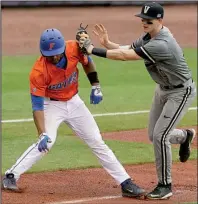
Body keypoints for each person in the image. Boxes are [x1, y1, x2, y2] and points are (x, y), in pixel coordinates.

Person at [2, 25, 146, 199]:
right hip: (51, 105)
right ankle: (11, 175)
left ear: (63, 47)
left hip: (74, 102)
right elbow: (37, 107)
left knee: (96, 141)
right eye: (49, 55)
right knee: (46, 143)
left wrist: (95, 85)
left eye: (56, 52)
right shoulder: (38, 72)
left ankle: (125, 183)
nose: (53, 57)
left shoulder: (74, 48)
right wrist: (42, 134)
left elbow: (87, 63)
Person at [78, 2, 196, 200]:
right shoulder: (150, 37)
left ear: (160, 20)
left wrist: (91, 50)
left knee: (160, 136)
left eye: (148, 20)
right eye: (142, 19)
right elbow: (127, 49)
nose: (144, 22)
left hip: (180, 92)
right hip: (162, 89)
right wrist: (107, 44)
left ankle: (165, 185)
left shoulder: (162, 43)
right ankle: (185, 136)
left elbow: (126, 56)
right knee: (153, 134)